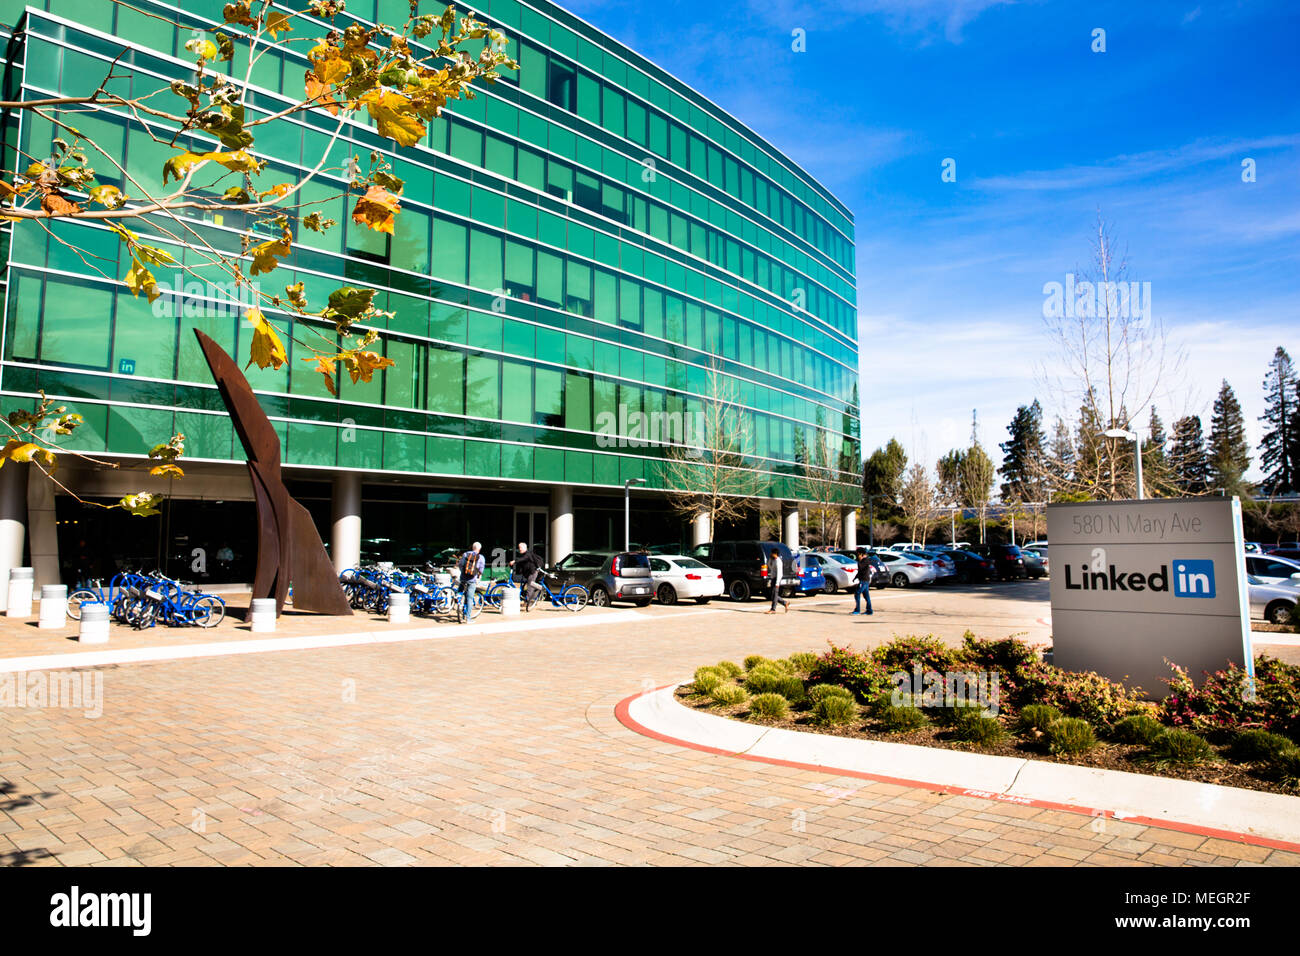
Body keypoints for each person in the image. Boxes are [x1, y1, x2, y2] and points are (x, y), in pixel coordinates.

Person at [508, 541, 543, 611]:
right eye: (519, 547)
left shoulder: (528, 554)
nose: (519, 549)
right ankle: (537, 589)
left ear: (525, 548)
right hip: (527, 573)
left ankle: (528, 602)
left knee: (530, 585)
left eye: (520, 547)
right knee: (528, 585)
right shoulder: (523, 554)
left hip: (532, 572)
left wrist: (514, 561)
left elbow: (523, 559)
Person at [457, 542, 486, 622]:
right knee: (470, 598)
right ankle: (468, 619)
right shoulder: (481, 557)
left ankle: (457, 598)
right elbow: (481, 570)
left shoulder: (465, 554)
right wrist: (479, 576)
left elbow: (460, 565)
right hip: (472, 580)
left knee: (460, 591)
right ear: (479, 549)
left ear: (472, 547)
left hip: (463, 578)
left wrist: (463, 572)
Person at [765, 546, 789, 614]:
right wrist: (770, 559)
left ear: (775, 554)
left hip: (777, 579)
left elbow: (779, 573)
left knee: (775, 594)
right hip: (773, 578)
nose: (771, 554)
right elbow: (769, 565)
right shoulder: (773, 560)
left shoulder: (778, 561)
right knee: (772, 595)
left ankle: (773, 609)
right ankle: (785, 603)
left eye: (772, 553)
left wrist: (777, 583)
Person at [852, 547, 874, 615]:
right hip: (864, 580)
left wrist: (859, 560)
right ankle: (869, 610)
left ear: (861, 554)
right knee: (866, 595)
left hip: (864, 580)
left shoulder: (865, 560)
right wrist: (855, 577)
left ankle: (857, 610)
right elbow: (860, 571)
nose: (857, 556)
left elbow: (860, 567)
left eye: (858, 554)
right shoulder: (864, 560)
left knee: (857, 593)